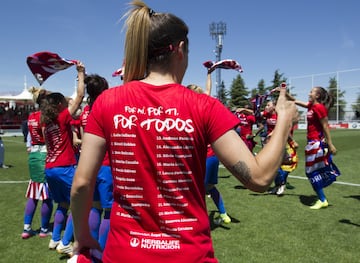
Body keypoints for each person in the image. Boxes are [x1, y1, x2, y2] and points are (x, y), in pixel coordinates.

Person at [70, 1, 298, 262]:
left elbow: (82, 184)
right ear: (180, 50)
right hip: (188, 255)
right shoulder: (203, 106)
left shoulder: (108, 102)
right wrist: (284, 119)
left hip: (124, 254)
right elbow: (258, 179)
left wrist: (82, 234)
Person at [41, 61, 85, 256]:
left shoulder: (46, 123)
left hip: (49, 168)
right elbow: (80, 96)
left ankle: (55, 238)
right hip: (65, 167)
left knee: (63, 204)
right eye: (64, 101)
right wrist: (81, 73)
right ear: (60, 105)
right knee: (79, 204)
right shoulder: (61, 117)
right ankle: (66, 242)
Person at [283, 86, 340, 209]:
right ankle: (322, 197)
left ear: (317, 96)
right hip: (311, 143)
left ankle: (322, 199)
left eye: (311, 92)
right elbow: (295, 100)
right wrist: (284, 93)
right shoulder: (311, 106)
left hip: (316, 143)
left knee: (311, 172)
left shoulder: (319, 108)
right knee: (312, 172)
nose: (309, 93)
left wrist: (330, 144)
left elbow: (325, 126)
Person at [188, 69, 231, 224]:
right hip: (212, 156)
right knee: (210, 187)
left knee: (197, 190)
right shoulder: (205, 105)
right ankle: (223, 213)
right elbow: (207, 90)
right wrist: (208, 74)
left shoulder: (190, 110)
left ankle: (197, 220)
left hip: (202, 157)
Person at [79, 74, 113, 250]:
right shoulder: (106, 108)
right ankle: (101, 248)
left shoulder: (86, 111)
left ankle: (92, 248)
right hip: (106, 164)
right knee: (108, 211)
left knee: (94, 207)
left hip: (90, 166)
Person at [21, 88, 53, 239]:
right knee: (46, 196)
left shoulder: (31, 116)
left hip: (33, 154)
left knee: (33, 195)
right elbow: (47, 136)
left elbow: (29, 138)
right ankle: (44, 229)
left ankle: (27, 228)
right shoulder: (44, 116)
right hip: (44, 154)